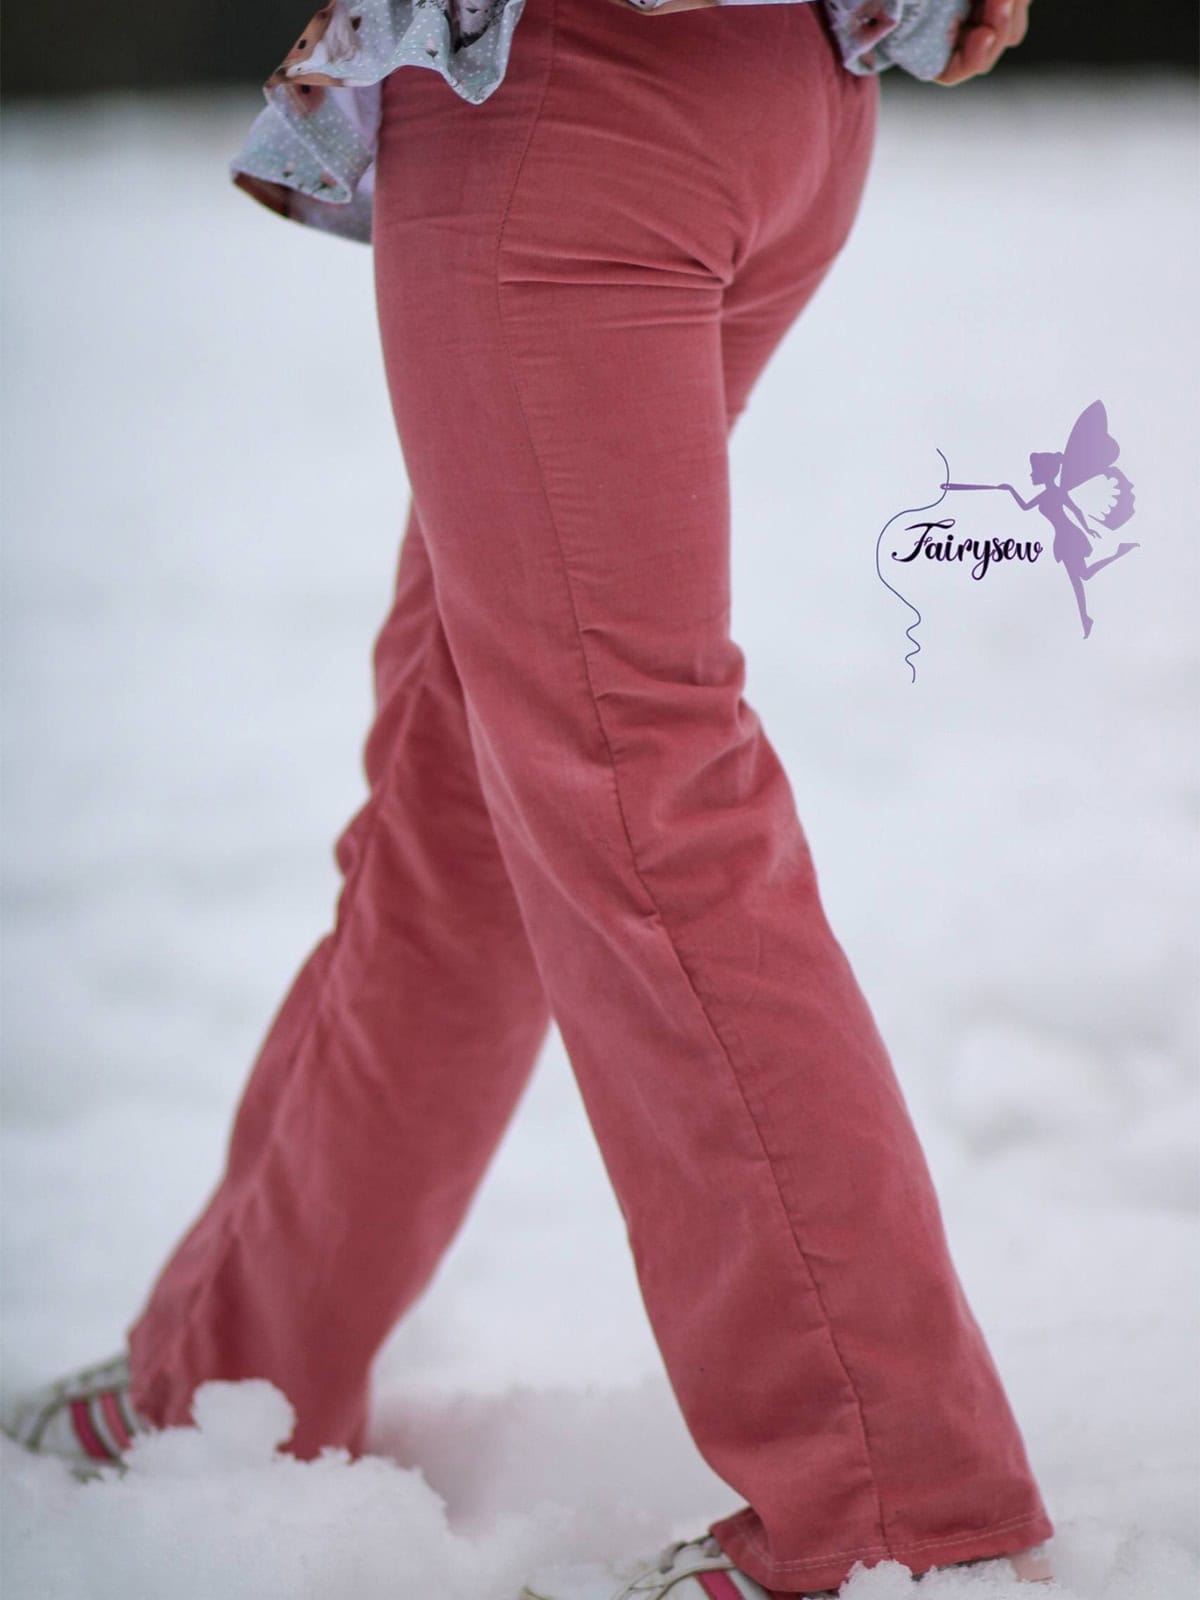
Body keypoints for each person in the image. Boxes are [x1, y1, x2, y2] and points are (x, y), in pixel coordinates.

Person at [4, 1, 1058, 1595]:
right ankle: (233, 1378)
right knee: (467, 798)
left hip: (574, 104)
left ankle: (898, 1514)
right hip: (774, 94)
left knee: (638, 796)